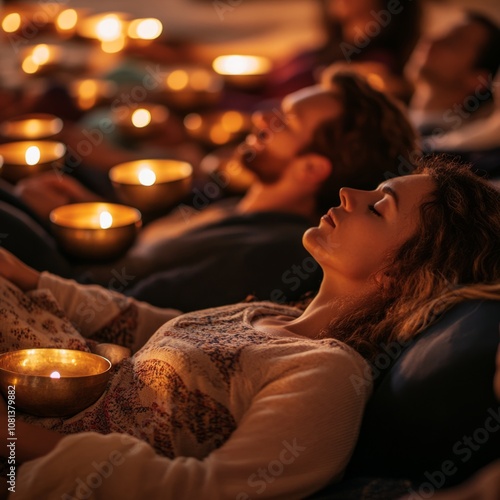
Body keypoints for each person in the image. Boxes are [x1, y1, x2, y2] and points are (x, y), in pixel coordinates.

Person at [0, 158, 499, 499]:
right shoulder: (271, 314)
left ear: (398, 273)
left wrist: (26, 443)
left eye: (378, 206)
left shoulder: (325, 375)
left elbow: (212, 492)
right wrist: (34, 279)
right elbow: (150, 323)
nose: (349, 193)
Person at [11, 71, 418, 311]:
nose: (262, 118)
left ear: (311, 168)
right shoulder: (235, 204)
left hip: (51, 288)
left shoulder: (277, 252)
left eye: (284, 123)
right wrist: (80, 214)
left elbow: (125, 310)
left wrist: (40, 232)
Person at [405, 9, 500, 176]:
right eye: (439, 33)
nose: (432, 40)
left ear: (477, 79)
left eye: (453, 43)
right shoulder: (383, 106)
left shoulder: (457, 158)